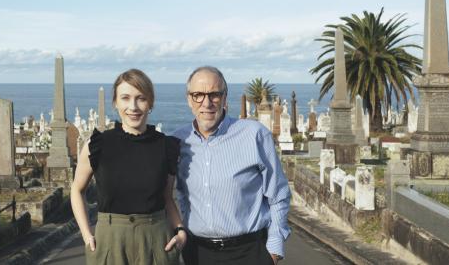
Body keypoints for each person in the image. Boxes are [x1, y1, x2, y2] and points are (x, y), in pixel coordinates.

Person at [173, 66, 291, 265]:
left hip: (249, 253)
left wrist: (273, 251)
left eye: (214, 95)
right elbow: (177, 193)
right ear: (189, 99)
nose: (206, 103)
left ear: (225, 97)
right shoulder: (177, 140)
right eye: (198, 95)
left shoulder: (254, 135)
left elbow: (278, 195)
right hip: (198, 254)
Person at [71, 69, 187, 265]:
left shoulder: (166, 146)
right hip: (110, 241)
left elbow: (167, 197)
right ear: (116, 103)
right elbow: (76, 189)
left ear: (150, 103)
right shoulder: (97, 144)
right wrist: (86, 234)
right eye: (125, 98)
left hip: (156, 239)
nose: (133, 107)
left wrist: (181, 230)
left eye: (141, 98)